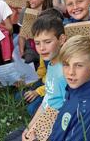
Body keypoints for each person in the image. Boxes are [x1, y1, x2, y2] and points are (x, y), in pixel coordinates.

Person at [27, 35, 90, 141]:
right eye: (65, 64)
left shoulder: (86, 109)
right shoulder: (71, 89)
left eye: (78, 65)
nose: (71, 72)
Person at [20, 11, 67, 140]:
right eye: (37, 43)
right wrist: (30, 127)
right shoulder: (51, 64)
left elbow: (65, 112)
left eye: (47, 42)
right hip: (43, 118)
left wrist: (38, 131)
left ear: (62, 39)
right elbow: (46, 100)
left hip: (54, 126)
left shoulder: (66, 71)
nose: (42, 48)